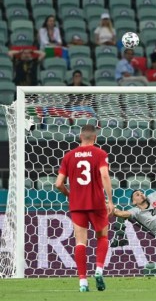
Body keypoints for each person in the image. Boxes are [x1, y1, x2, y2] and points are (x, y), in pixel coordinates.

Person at [54, 125, 114, 292]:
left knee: (80, 242)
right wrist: (110, 200)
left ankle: (82, 283)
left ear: (80, 137)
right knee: (102, 236)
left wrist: (70, 195)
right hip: (97, 203)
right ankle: (99, 270)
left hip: (77, 204)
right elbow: (104, 175)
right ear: (95, 138)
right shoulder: (100, 154)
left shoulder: (69, 156)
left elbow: (58, 183)